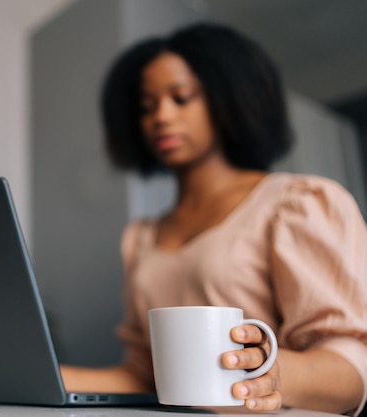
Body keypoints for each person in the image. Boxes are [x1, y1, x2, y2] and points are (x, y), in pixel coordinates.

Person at [59, 22, 367, 416]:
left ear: (228, 99)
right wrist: (37, 374)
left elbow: (350, 366)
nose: (161, 117)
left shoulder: (299, 203)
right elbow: (145, 375)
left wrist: (271, 373)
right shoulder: (141, 236)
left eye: (181, 97)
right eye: (147, 106)